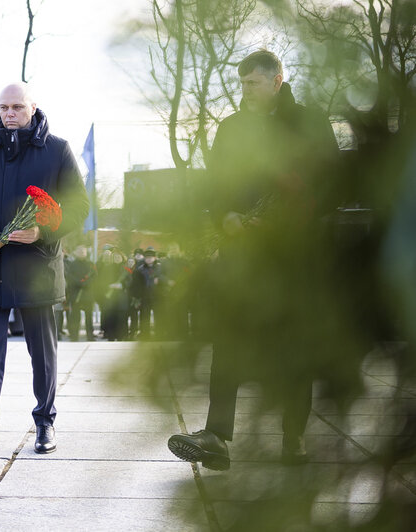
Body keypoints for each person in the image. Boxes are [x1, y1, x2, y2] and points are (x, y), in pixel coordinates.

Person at [167, 50, 339, 470]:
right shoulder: (230, 128)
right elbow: (216, 186)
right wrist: (227, 216)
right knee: (228, 340)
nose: (245, 91)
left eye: (253, 83)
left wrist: (289, 219)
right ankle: (216, 437)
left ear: (277, 80)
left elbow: (334, 181)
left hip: (295, 254)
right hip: (241, 253)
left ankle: (293, 437)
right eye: (242, 84)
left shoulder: (310, 122)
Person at [0, 82, 89, 468]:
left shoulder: (57, 149)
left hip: (38, 270)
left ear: (33, 108)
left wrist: (43, 231)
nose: (8, 113)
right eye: (3, 107)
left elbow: (79, 205)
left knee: (42, 353)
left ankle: (45, 422)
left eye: (16, 107)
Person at [65, 245, 96, 342]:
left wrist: (87, 283)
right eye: (80, 251)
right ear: (76, 253)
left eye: (83, 251)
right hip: (76, 294)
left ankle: (90, 336)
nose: (82, 253)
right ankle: (74, 336)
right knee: (75, 316)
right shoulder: (72, 264)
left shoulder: (90, 264)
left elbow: (95, 276)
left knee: (89, 317)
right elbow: (69, 277)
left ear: (86, 253)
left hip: (88, 294)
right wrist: (79, 283)